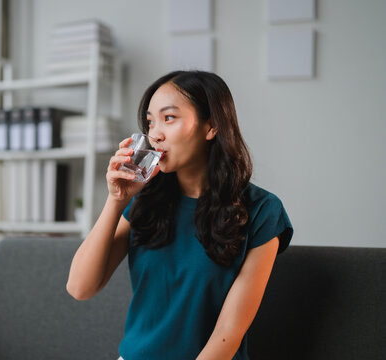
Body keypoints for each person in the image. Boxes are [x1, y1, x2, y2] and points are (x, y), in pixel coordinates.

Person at [66, 70, 294, 360]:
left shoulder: (262, 211)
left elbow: (229, 333)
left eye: (169, 118)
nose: (155, 134)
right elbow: (79, 288)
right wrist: (115, 201)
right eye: (150, 122)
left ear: (211, 127)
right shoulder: (145, 201)